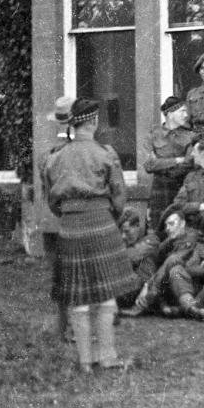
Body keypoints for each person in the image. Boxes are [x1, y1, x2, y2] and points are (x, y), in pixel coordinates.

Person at [42, 98, 136, 372]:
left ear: (73, 124)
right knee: (106, 292)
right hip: (101, 222)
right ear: (93, 123)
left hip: (70, 226)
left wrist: (70, 215)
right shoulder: (105, 153)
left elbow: (51, 201)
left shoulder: (55, 157)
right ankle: (107, 357)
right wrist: (110, 217)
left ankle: (85, 361)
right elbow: (119, 195)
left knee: (78, 295)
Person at [120, 210, 201, 317]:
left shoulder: (191, 236)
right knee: (149, 259)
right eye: (166, 225)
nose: (167, 228)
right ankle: (162, 306)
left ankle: (143, 305)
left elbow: (173, 261)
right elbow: (156, 256)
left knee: (171, 261)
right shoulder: (170, 240)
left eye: (171, 223)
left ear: (182, 223)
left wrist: (147, 285)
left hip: (189, 285)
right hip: (169, 285)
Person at [41, 95, 75, 342]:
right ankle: (69, 327)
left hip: (51, 221)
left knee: (59, 275)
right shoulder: (72, 150)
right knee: (72, 275)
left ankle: (63, 326)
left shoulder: (50, 150)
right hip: (68, 220)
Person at [142, 96, 195, 232]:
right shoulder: (153, 135)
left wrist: (161, 165)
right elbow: (148, 164)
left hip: (182, 186)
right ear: (170, 114)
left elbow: (189, 163)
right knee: (158, 227)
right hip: (159, 190)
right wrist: (177, 160)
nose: (186, 115)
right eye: (182, 111)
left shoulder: (190, 136)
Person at [117, 208, 160, 308]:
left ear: (138, 226)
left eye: (127, 231)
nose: (123, 236)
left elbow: (132, 256)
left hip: (139, 287)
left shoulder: (151, 240)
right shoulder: (127, 243)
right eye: (121, 232)